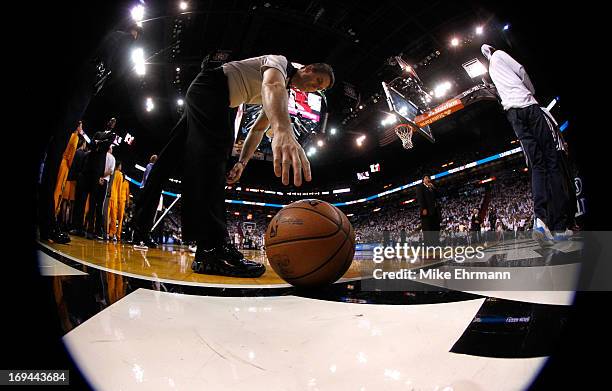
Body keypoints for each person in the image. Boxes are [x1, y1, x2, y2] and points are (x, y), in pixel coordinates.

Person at [133, 55, 334, 277]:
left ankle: (139, 227)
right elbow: (271, 83)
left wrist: (242, 162)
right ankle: (212, 247)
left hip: (207, 93)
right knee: (214, 157)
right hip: (212, 88)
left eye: (319, 89)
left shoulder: (283, 95)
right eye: (317, 82)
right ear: (307, 68)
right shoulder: (280, 63)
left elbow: (257, 130)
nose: (313, 89)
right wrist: (283, 129)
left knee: (166, 161)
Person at [38, 25, 142, 243]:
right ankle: (46, 222)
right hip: (86, 79)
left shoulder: (107, 35)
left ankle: (47, 219)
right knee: (57, 148)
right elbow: (119, 72)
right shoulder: (122, 40)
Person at [481, 44, 570, 246]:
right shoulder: (500, 55)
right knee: (552, 161)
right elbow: (521, 70)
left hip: (513, 115)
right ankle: (559, 226)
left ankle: (540, 220)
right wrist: (531, 90)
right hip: (528, 106)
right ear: (493, 49)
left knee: (537, 165)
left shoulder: (491, 71)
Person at [416, 175, 441, 250]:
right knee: (428, 228)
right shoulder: (420, 187)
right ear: (423, 180)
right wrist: (423, 208)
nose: (428, 179)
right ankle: (429, 246)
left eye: (428, 178)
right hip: (426, 211)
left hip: (434, 210)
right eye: (426, 178)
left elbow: (438, 195)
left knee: (435, 227)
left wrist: (434, 188)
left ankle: (436, 244)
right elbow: (420, 199)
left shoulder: (431, 187)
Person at [107, 162, 124, 242]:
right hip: (115, 197)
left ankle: (105, 232)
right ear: (119, 166)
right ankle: (111, 233)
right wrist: (120, 200)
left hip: (108, 196)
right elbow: (119, 188)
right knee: (113, 217)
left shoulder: (111, 172)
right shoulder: (120, 175)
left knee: (107, 216)